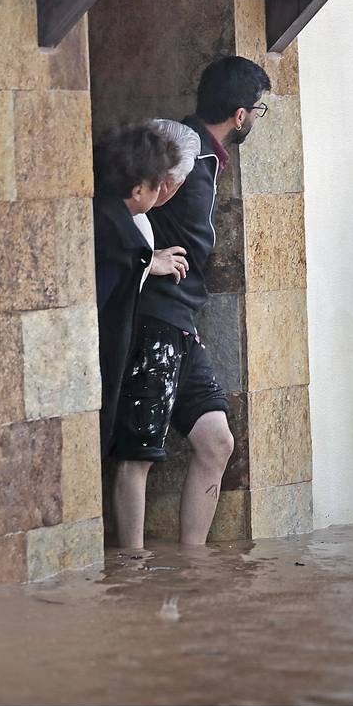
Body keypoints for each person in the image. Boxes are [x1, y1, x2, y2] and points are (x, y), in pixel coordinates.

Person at [109, 56, 272, 549]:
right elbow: (108, 199)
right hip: (152, 318)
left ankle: (191, 569)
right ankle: (133, 576)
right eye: (257, 111)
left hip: (182, 322)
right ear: (241, 116)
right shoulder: (178, 151)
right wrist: (145, 258)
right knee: (136, 452)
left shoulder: (200, 156)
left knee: (216, 442)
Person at [91, 124, 188, 461]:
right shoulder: (120, 240)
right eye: (157, 184)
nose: (163, 190)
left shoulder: (101, 214)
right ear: (137, 190)